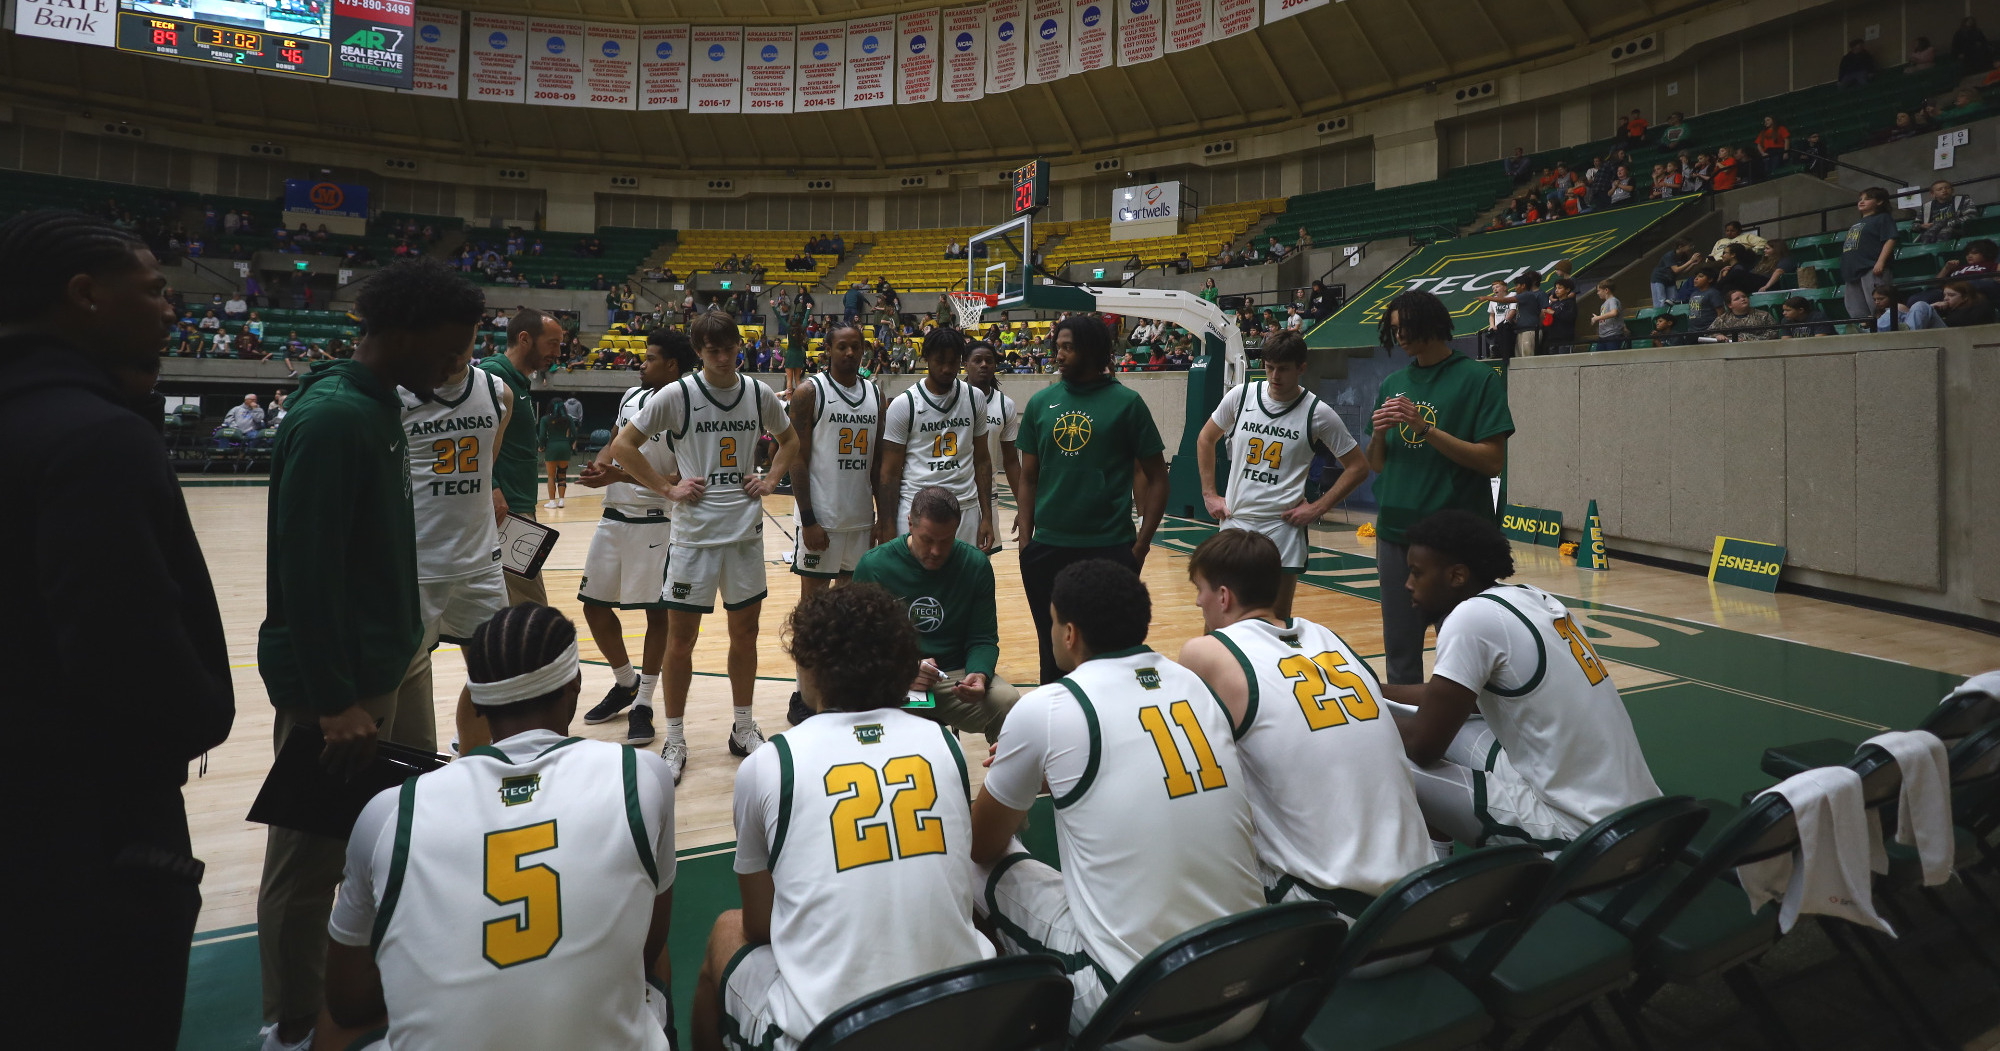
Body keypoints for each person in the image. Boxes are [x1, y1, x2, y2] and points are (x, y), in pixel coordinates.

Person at [3, 210, 233, 1048]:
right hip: (86, 830)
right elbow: (122, 656)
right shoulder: (99, 438)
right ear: (85, 295)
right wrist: (203, 708)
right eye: (155, 290)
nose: (172, 307)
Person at [255, 257, 484, 1051]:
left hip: (392, 662)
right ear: (403, 332)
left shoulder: (382, 404)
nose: (456, 367)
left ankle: (370, 980)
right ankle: (288, 1025)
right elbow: (305, 575)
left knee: (395, 829)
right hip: (340, 687)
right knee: (310, 862)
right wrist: (332, 700)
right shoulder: (333, 421)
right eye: (450, 350)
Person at [322, 605, 680, 1051]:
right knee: (650, 947)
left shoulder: (388, 812)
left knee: (332, 1029)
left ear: (476, 701)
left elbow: (347, 1001)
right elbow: (647, 949)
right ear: (575, 685)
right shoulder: (642, 775)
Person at [971, 560, 1264, 1046]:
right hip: (1254, 989)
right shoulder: (1193, 685)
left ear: (1068, 633)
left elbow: (983, 843)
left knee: (972, 857)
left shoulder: (1047, 706)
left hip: (1138, 1016)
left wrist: (1023, 779)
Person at [693, 584, 990, 1051]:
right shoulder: (946, 746)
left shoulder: (770, 763)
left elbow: (760, 925)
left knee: (727, 929)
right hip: (964, 1016)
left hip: (838, 1036)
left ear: (808, 670)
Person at [1176, 530, 1434, 905]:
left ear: (1224, 596)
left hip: (1334, 924)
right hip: (1425, 902)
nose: (1198, 601)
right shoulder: (1328, 636)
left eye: (1200, 589)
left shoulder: (1204, 652)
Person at [1388, 510, 1661, 851]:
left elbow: (1423, 747)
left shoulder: (1471, 618)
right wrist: (1377, 691)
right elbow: (1456, 702)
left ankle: (1425, 884)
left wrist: (1360, 709)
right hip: (1638, 813)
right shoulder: (1531, 597)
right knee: (1419, 718)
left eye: (1417, 573)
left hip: (1582, 830)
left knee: (1384, 753)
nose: (1408, 584)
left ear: (1457, 575)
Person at [608, 311, 800, 783]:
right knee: (680, 641)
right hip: (693, 535)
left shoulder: (756, 393)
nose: (720, 355)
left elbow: (791, 439)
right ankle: (674, 737)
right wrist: (667, 489)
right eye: (711, 349)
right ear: (698, 352)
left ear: (739, 345)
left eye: (727, 346)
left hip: (745, 534)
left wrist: (773, 476)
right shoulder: (679, 395)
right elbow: (623, 447)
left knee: (746, 636)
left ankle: (741, 727)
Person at [1365, 291, 1513, 689]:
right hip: (1395, 533)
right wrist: (1379, 433)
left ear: (1433, 323)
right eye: (1393, 329)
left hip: (1455, 541)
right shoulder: (1394, 383)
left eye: (1406, 327)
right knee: (1400, 651)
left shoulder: (1479, 378)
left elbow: (1491, 461)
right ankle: (1409, 741)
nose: (1399, 336)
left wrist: (1426, 430)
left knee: (1465, 650)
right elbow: (1377, 464)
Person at [1014, 315, 1169, 685]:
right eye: (1058, 347)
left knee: (1111, 653)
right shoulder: (1040, 403)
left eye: (1067, 347)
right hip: (1047, 549)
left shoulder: (1127, 403)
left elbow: (1158, 477)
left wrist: (1142, 544)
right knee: (1052, 653)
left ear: (1091, 350)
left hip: (1110, 547)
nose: (1059, 355)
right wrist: (1025, 544)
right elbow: (1028, 478)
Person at [574, 329, 699, 747]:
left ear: (672, 366)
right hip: (614, 515)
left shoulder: (688, 405)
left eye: (650, 358)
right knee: (593, 606)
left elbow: (677, 479)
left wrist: (620, 474)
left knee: (655, 614)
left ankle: (644, 702)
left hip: (657, 519)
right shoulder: (630, 395)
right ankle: (625, 681)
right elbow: (613, 446)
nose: (641, 364)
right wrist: (598, 468)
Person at [397, 322, 513, 755]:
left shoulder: (499, 392)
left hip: (480, 560)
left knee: (493, 674)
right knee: (405, 679)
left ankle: (473, 760)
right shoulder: (398, 394)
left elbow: (486, 466)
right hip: (417, 563)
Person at [1196, 330, 1368, 621]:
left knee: (1274, 621)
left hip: (1282, 530)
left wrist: (1317, 508)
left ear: (1301, 368)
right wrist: (1209, 494)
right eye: (1269, 367)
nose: (1275, 376)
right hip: (1236, 522)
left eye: (1284, 369)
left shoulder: (1318, 413)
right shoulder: (1241, 395)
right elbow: (1205, 438)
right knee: (1219, 621)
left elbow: (1358, 466)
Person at [845, 485, 1020, 743]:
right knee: (859, 702)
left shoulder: (975, 565)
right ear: (910, 525)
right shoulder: (874, 565)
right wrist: (902, 669)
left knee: (1008, 702)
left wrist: (979, 674)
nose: (936, 551)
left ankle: (1001, 782)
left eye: (946, 541)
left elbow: (983, 638)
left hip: (954, 677)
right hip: (895, 678)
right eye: (927, 540)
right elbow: (857, 645)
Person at [781, 321, 883, 725]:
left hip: (860, 521)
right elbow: (797, 458)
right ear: (829, 350)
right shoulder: (810, 392)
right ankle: (804, 694)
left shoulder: (876, 394)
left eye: (856, 346)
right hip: (820, 519)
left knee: (851, 613)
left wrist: (880, 517)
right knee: (812, 611)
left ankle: (839, 690)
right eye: (842, 347)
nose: (850, 353)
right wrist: (808, 520)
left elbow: (877, 464)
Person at [878, 326, 995, 549]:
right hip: (917, 508)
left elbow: (982, 459)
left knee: (961, 582)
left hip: (965, 507)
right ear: (925, 358)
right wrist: (888, 524)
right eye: (940, 361)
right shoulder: (905, 404)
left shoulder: (974, 398)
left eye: (953, 362)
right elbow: (889, 473)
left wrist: (987, 516)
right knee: (916, 582)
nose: (947, 368)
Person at [480, 309, 562, 606]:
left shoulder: (519, 382)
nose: (558, 352)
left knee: (494, 612)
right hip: (505, 510)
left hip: (516, 506)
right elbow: (476, 440)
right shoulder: (493, 375)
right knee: (532, 611)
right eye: (552, 343)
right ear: (525, 339)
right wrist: (491, 485)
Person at [965, 341, 1024, 553]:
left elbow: (1010, 461)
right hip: (952, 489)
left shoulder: (1004, 404)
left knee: (982, 560)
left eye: (989, 361)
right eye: (977, 360)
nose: (983, 365)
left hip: (987, 494)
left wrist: (1023, 507)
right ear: (965, 364)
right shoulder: (952, 397)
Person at [1842, 188, 1899, 331]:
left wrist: (1880, 262)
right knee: (1856, 308)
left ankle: (1884, 328)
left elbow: (1890, 239)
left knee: (1877, 304)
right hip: (1852, 270)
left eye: (1867, 199)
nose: (1862, 202)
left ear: (1879, 202)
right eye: (1860, 199)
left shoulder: (1883, 218)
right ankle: (1864, 329)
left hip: (1871, 266)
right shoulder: (1858, 223)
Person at [1915, 180, 1975, 244]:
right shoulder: (1926, 207)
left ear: (1952, 190)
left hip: (1959, 230)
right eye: (1939, 189)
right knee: (1927, 234)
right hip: (1932, 232)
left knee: (1945, 231)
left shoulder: (1963, 200)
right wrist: (1922, 226)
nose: (1944, 190)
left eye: (1947, 188)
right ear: (1932, 194)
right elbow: (1914, 225)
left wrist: (1945, 223)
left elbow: (1971, 216)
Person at [1706, 289, 1777, 341]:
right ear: (1730, 305)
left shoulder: (1763, 315)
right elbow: (1708, 334)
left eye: (1744, 296)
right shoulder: (1722, 319)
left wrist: (1749, 340)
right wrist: (1718, 335)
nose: (1743, 299)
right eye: (1737, 299)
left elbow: (1774, 332)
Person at [1590, 280, 1626, 351]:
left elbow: (1614, 313)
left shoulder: (1612, 300)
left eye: (1599, 290)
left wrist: (1597, 318)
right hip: (1603, 336)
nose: (1598, 293)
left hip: (1612, 336)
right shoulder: (1603, 305)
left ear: (1606, 290)